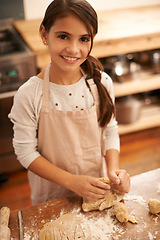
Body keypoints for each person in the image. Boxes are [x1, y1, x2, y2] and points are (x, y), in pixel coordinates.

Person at [9, 0, 130, 205]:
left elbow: (109, 130)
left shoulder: (102, 82)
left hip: (96, 194)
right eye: (63, 36)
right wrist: (73, 182)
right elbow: (26, 152)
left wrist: (113, 171)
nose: (74, 49)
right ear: (44, 35)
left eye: (84, 39)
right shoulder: (29, 94)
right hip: (51, 198)